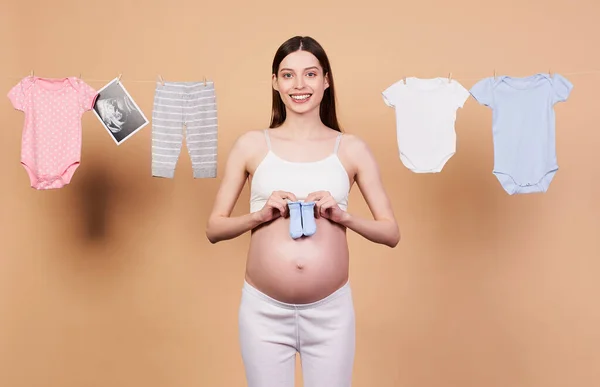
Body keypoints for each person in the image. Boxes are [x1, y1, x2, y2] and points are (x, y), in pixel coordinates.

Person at [205, 36, 400, 387]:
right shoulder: (251, 144)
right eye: (288, 75)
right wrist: (259, 215)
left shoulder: (351, 149)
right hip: (263, 312)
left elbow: (391, 233)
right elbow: (214, 228)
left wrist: (345, 218)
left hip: (331, 314)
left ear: (326, 80)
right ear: (275, 82)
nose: (299, 85)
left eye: (310, 74)